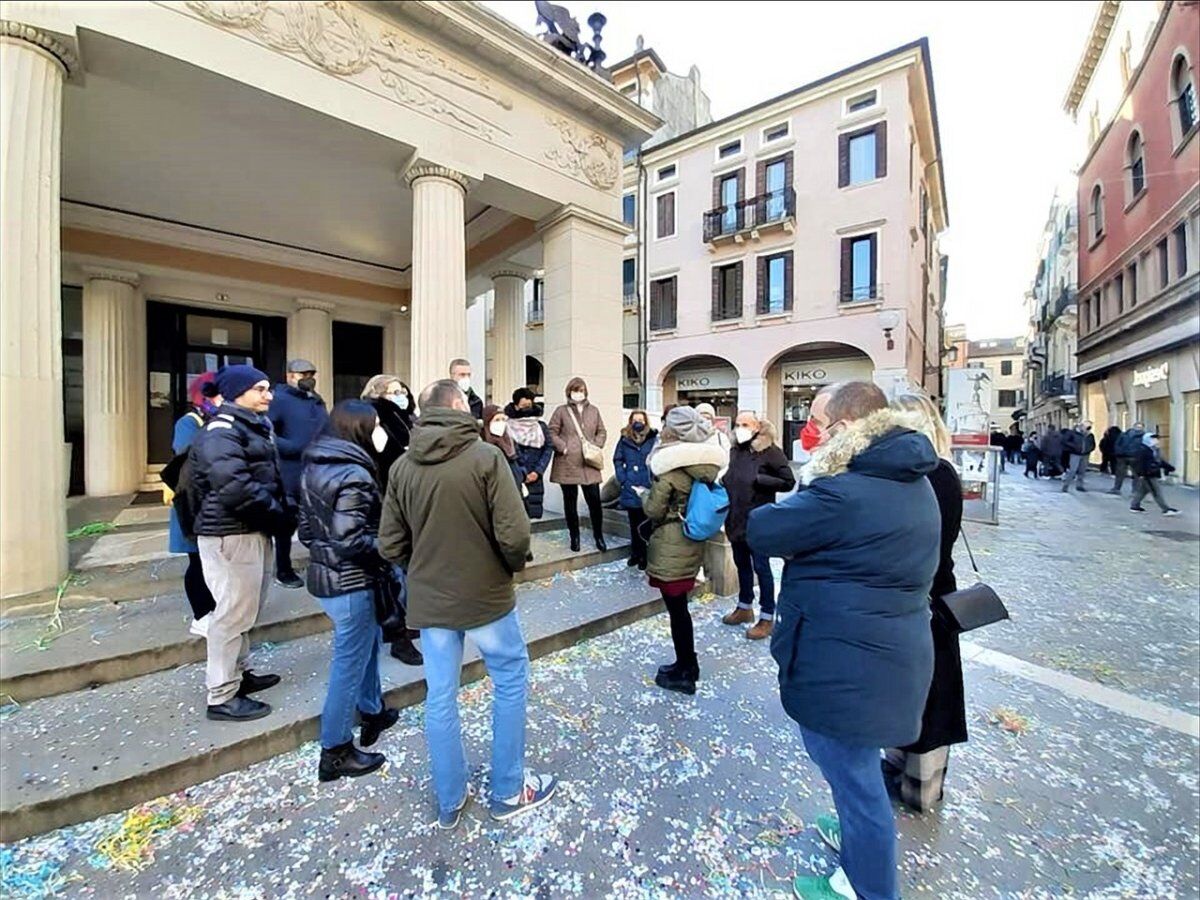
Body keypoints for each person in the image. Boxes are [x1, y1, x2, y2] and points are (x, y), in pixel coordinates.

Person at [747, 382, 939, 900]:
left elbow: (762, 529)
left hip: (848, 662)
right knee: (855, 776)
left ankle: (869, 885)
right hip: (880, 655)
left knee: (855, 781)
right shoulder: (911, 479)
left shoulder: (843, 490)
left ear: (848, 427)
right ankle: (858, 847)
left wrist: (817, 477)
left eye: (817, 420)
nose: (811, 431)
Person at [379, 379, 554, 828]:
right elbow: (515, 535)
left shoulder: (402, 466)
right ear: (459, 406)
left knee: (440, 695)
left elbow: (390, 542)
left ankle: (449, 798)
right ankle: (508, 789)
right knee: (510, 680)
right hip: (485, 595)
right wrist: (508, 566)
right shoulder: (485, 457)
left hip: (431, 598)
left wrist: (420, 567)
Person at [298, 400, 398, 781]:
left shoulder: (314, 465)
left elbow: (308, 532)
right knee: (348, 662)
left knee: (368, 645)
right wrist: (390, 549)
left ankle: (372, 710)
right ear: (358, 430)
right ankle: (336, 749)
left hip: (329, 577)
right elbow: (351, 539)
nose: (380, 432)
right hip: (350, 582)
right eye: (374, 426)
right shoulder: (354, 473)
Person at [188, 365, 288, 722]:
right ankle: (222, 696)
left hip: (251, 528)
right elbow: (235, 487)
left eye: (268, 387)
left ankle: (238, 675)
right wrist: (278, 514)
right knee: (231, 615)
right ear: (237, 392)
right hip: (231, 532)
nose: (269, 395)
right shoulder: (222, 431)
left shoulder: (251, 425)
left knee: (245, 610)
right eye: (260, 388)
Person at [885, 392, 968, 812]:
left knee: (931, 692)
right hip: (926, 594)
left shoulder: (931, 477)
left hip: (927, 599)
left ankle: (922, 784)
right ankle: (904, 766)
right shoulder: (938, 474)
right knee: (914, 689)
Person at [644, 406, 727, 695]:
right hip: (691, 543)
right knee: (681, 611)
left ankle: (685, 672)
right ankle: (687, 664)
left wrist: (644, 495)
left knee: (677, 612)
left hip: (671, 544)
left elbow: (653, 510)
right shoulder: (704, 468)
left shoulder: (670, 471)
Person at [358, 375, 422, 666]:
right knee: (395, 572)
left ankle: (407, 623)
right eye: (393, 391)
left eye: (401, 390)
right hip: (386, 501)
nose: (400, 395)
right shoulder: (375, 418)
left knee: (407, 569)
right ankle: (399, 635)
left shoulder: (406, 418)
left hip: (409, 499)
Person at [720, 411, 795, 640]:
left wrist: (761, 480)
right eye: (738, 424)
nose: (740, 428)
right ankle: (744, 607)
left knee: (762, 568)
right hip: (735, 518)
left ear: (757, 427)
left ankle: (767, 616)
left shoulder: (770, 451)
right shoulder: (735, 450)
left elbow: (788, 482)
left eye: (745, 424)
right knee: (742, 564)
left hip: (759, 520)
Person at [268, 359, 329, 588]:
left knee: (317, 519)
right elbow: (267, 431)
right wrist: (292, 446)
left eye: (312, 373)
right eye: (303, 373)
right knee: (286, 524)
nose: (308, 377)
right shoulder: (279, 399)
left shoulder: (317, 400)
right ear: (290, 376)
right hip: (289, 472)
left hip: (316, 469)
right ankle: (283, 569)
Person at [170, 372, 219, 637]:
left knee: (209, 564)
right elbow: (189, 458)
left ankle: (212, 609)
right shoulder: (189, 423)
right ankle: (201, 614)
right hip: (191, 503)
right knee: (197, 562)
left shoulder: (214, 420)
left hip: (209, 505)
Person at [548, 377, 608, 553]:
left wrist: (596, 445)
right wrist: (563, 447)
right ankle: (574, 537)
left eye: (581, 390)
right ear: (569, 392)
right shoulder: (561, 411)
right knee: (570, 502)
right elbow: (551, 431)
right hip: (567, 463)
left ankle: (599, 535)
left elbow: (602, 431)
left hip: (589, 463)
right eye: (575, 390)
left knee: (595, 502)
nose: (578, 393)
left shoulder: (594, 411)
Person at [613, 410, 658, 571]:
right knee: (633, 524)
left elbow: (658, 459)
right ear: (630, 421)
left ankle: (645, 556)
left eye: (641, 419)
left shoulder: (653, 438)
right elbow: (617, 459)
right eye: (635, 420)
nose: (638, 422)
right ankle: (635, 553)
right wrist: (622, 478)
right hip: (630, 486)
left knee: (646, 524)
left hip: (648, 486)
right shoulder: (625, 438)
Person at [504, 388, 553, 524]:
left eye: (529, 406)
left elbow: (549, 448)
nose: (526, 409)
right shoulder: (507, 426)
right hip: (515, 476)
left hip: (535, 477)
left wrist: (538, 471)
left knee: (531, 518)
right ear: (515, 406)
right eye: (523, 406)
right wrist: (521, 473)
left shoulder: (540, 426)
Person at [360, 374, 415, 485]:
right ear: (378, 394)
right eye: (395, 393)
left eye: (403, 392)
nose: (401, 397)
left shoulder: (405, 415)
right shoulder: (374, 415)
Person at [1130, 433, 1180, 516]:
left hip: (1152, 473)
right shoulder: (1143, 450)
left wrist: (1169, 467)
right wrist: (1141, 474)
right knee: (1156, 492)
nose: (1156, 441)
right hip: (1148, 474)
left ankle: (1134, 506)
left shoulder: (1154, 449)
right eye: (1153, 439)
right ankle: (1165, 509)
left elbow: (1159, 461)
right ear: (1147, 440)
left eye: (1156, 439)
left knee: (1143, 491)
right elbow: (1138, 463)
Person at [1109, 421, 1145, 494]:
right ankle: (1116, 488)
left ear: (1142, 428)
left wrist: (1139, 454)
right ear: (1133, 426)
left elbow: (1144, 447)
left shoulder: (1144, 437)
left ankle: (1135, 491)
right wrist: (1118, 451)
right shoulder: (1124, 434)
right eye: (1137, 426)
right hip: (1122, 456)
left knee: (1136, 475)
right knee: (1119, 473)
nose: (1138, 428)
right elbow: (1117, 443)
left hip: (1135, 457)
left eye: (1140, 427)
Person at [1060, 421, 1095, 493]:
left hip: (1085, 455)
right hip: (1075, 454)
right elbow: (1065, 441)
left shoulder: (1089, 435)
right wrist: (1074, 447)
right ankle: (1066, 486)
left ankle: (1080, 486)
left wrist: (1089, 449)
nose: (1088, 429)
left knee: (1082, 470)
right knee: (1073, 470)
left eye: (1089, 427)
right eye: (1087, 427)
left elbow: (1093, 444)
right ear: (1081, 426)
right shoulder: (1072, 433)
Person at [448, 358, 484, 422]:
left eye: (469, 375)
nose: (466, 378)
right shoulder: (442, 399)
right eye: (462, 375)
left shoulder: (476, 402)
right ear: (452, 376)